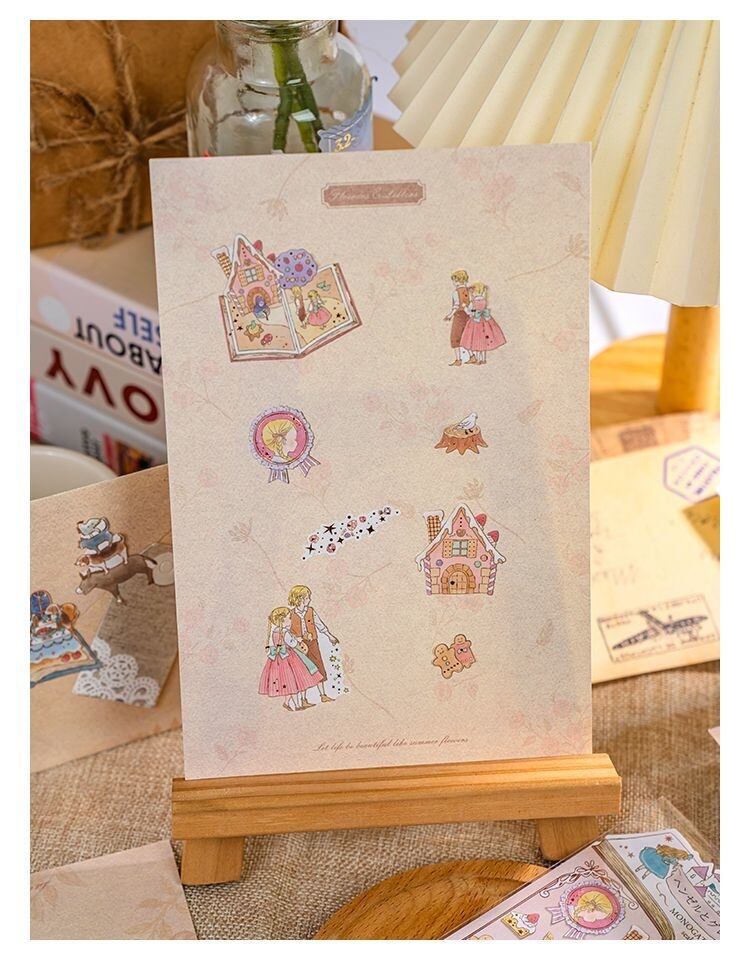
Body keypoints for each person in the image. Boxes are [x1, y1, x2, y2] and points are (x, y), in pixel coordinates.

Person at [258, 607, 324, 712]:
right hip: (289, 658)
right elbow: (292, 643)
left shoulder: (275, 631)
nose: (290, 620)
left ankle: (287, 703)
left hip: (278, 659)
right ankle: (297, 705)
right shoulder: (285, 632)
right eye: (289, 618)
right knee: (294, 682)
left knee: (289, 684)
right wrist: (299, 643)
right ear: (282, 620)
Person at [288, 585, 343, 705]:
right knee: (302, 670)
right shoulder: (291, 614)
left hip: (313, 643)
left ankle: (322, 695)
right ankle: (303, 700)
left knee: (318, 667)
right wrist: (299, 638)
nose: (309, 600)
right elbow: (288, 632)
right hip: (299, 646)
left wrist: (330, 636)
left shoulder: (311, 611)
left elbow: (320, 625)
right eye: (307, 598)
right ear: (300, 599)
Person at [460, 282, 507, 364]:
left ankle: (478, 360)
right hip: (485, 322)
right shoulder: (484, 300)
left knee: (477, 341)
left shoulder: (473, 302)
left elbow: (470, 312)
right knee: (483, 341)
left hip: (476, 323)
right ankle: (483, 359)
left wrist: (465, 307)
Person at [444, 270, 471, 366]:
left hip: (459, 316)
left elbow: (456, 306)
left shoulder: (456, 292)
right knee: (466, 336)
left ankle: (458, 360)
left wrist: (450, 315)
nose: (453, 283)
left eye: (454, 280)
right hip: (467, 316)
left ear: (457, 280)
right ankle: (472, 357)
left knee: (455, 337)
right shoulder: (468, 291)